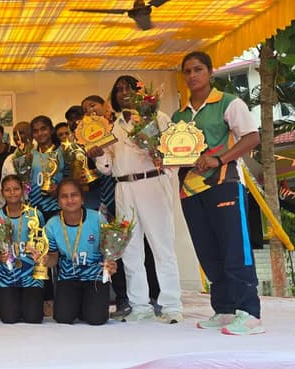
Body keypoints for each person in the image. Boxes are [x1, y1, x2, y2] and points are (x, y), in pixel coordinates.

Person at [174, 51, 264, 335]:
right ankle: (224, 309)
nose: (192, 75)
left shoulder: (228, 102)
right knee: (208, 251)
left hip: (224, 183)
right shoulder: (179, 115)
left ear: (210, 72)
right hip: (190, 190)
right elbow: (176, 153)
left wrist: (219, 159)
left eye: (198, 69)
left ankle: (249, 313)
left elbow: (252, 137)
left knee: (235, 248)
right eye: (187, 71)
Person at [87, 77, 183, 323]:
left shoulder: (158, 117)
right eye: (118, 90)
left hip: (152, 182)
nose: (123, 93)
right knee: (130, 249)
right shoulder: (114, 126)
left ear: (140, 92)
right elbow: (107, 167)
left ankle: (171, 305)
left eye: (128, 88)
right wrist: (97, 154)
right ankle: (140, 305)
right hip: (123, 187)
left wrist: (158, 154)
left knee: (162, 245)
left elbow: (174, 152)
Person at [45, 179, 116, 325]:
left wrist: (111, 263)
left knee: (96, 319)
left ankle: (87, 305)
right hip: (68, 277)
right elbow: (53, 258)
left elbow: (108, 250)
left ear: (82, 199)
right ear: (58, 202)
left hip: (94, 277)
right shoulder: (52, 225)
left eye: (74, 195)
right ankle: (80, 305)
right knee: (63, 318)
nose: (70, 200)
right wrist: (44, 260)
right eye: (64, 196)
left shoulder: (97, 218)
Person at [0, 175, 45, 324]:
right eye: (7, 190)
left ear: (23, 190)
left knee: (33, 318)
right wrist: (0, 257)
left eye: (16, 189)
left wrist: (38, 252)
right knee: (9, 318)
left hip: (31, 275)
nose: (12, 193)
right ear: (2, 193)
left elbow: (43, 243)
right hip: (7, 276)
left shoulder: (35, 215)